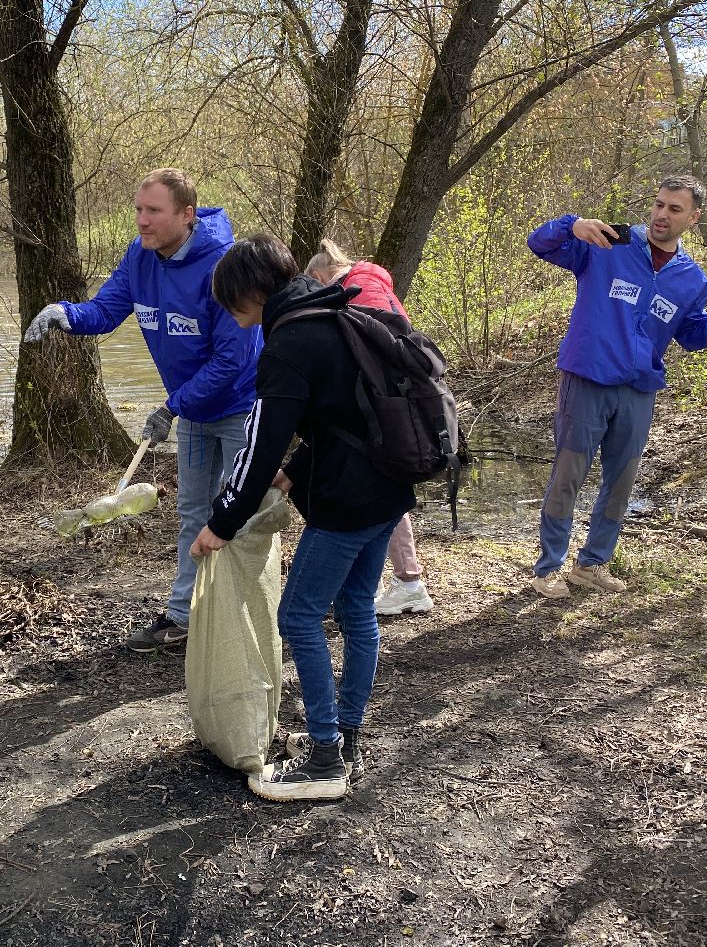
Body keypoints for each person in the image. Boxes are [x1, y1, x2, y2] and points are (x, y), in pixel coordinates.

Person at [191, 234, 415, 801]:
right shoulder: (336, 311)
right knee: (358, 609)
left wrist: (222, 521)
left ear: (251, 293)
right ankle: (347, 737)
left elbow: (258, 445)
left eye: (232, 304)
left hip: (350, 500)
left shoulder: (289, 343)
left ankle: (323, 761)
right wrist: (295, 472)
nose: (233, 316)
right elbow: (345, 414)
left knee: (298, 617)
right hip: (389, 486)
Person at [23, 168, 261, 651]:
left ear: (186, 215)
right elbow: (106, 311)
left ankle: (245, 617)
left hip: (240, 409)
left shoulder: (225, 267)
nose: (142, 221)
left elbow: (233, 359)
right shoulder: (140, 257)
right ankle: (184, 615)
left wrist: (173, 406)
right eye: (138, 209)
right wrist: (65, 314)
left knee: (242, 513)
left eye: (153, 211)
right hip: (193, 411)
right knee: (194, 511)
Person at [527, 176, 707, 598]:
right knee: (568, 475)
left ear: (693, 217)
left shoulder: (692, 279)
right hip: (587, 377)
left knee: (622, 480)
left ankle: (591, 564)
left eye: (675, 209)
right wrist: (569, 225)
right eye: (659, 205)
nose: (662, 215)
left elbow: (691, 334)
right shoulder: (609, 243)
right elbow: (539, 244)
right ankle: (548, 568)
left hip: (638, 389)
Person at [305, 239, 433, 616]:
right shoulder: (373, 282)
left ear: (318, 276)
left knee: (381, 496)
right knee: (387, 495)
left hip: (385, 412)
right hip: (401, 406)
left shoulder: (355, 292)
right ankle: (396, 580)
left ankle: (407, 583)